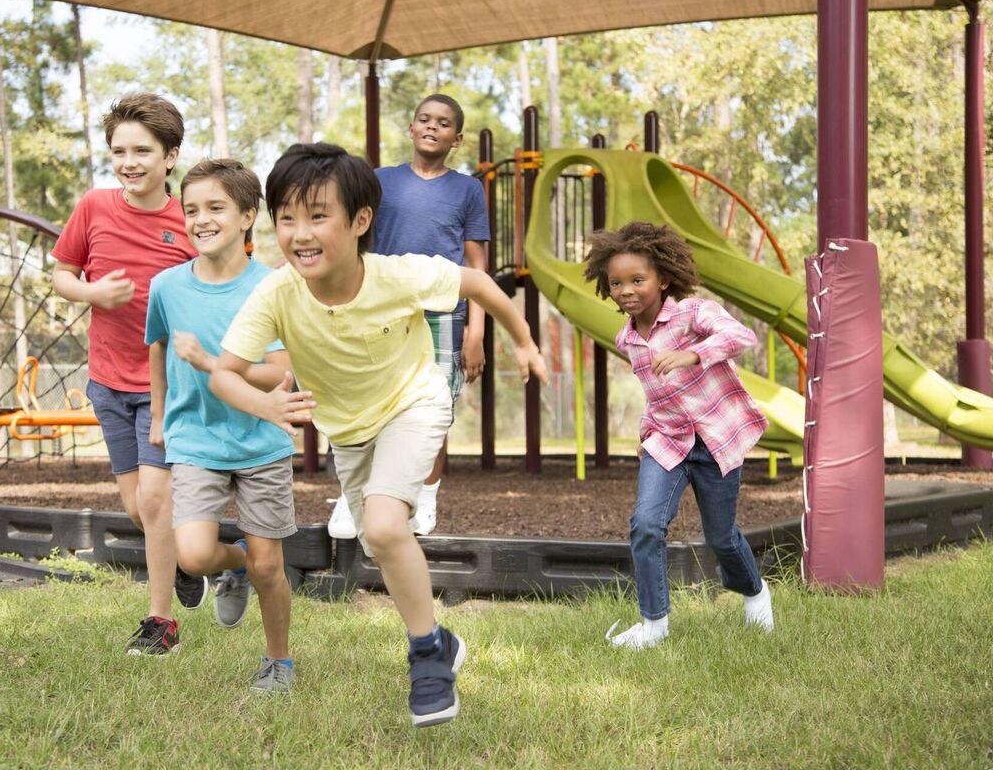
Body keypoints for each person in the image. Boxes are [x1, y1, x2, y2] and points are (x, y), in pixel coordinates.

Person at [210, 143, 548, 727]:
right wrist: (263, 403)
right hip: (349, 428)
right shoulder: (277, 293)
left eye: (318, 216)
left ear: (360, 221)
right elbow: (224, 373)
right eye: (286, 217)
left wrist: (523, 341)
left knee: (389, 525)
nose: (299, 233)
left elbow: (481, 285)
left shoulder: (400, 274)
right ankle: (441, 641)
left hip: (414, 403)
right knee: (379, 542)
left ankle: (425, 661)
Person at [51, 92, 206, 656]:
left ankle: (160, 622)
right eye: (119, 151)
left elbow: (222, 282)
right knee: (136, 507)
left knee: (156, 501)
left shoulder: (191, 219)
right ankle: (192, 563)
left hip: (168, 386)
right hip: (107, 380)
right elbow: (63, 273)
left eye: (143, 150)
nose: (129, 161)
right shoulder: (93, 206)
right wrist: (92, 291)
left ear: (171, 157)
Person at [583, 221, 775, 650]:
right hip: (667, 441)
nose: (626, 290)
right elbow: (655, 394)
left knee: (721, 537)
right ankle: (654, 624)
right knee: (646, 525)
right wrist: (647, 430)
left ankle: (756, 593)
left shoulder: (693, 313)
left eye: (637, 280)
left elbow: (740, 336)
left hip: (715, 439)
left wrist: (694, 353)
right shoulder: (627, 339)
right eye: (616, 283)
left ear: (662, 279)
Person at [145, 158, 298, 691]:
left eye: (216, 208)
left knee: (270, 567)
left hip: (261, 441)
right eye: (191, 210)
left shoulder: (273, 286)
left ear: (247, 216)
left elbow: (279, 374)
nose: (200, 219)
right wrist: (159, 415)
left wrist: (213, 362)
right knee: (192, 554)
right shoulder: (166, 286)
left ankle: (278, 661)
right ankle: (232, 567)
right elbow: (159, 347)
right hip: (195, 439)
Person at [327, 93, 490, 539]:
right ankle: (352, 495)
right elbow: (352, 237)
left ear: (456, 139)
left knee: (433, 410)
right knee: (366, 401)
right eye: (424, 119)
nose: (432, 127)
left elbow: (477, 267)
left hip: (442, 313)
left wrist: (476, 331)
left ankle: (426, 498)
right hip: (381, 311)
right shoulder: (380, 181)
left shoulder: (467, 190)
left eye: (443, 123)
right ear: (411, 128)